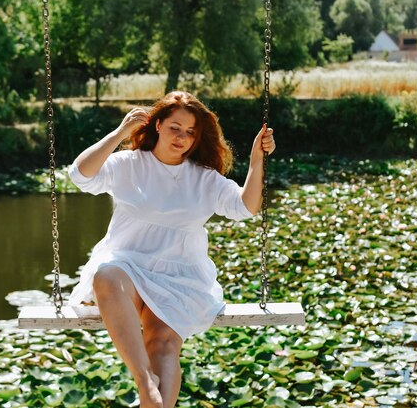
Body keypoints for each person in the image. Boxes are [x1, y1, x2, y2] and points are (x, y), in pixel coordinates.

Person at [67, 91, 276, 408]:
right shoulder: (129, 165)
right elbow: (80, 175)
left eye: (190, 132)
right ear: (158, 125)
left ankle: (154, 401)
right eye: (175, 127)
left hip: (180, 276)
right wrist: (121, 132)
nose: (182, 137)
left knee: (163, 345)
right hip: (129, 267)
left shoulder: (203, 179)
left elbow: (245, 207)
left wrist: (257, 160)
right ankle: (143, 381)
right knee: (106, 276)